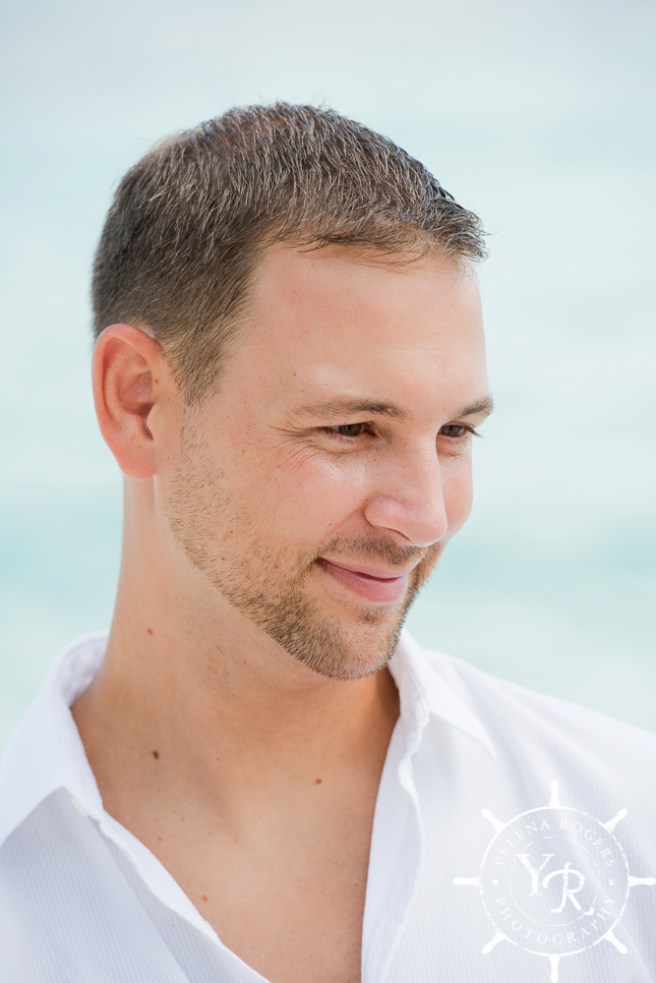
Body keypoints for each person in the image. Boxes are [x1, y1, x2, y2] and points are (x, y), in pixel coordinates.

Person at [1, 103, 655, 983]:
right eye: (351, 429)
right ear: (139, 404)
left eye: (456, 433)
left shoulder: (622, 818)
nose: (424, 518)